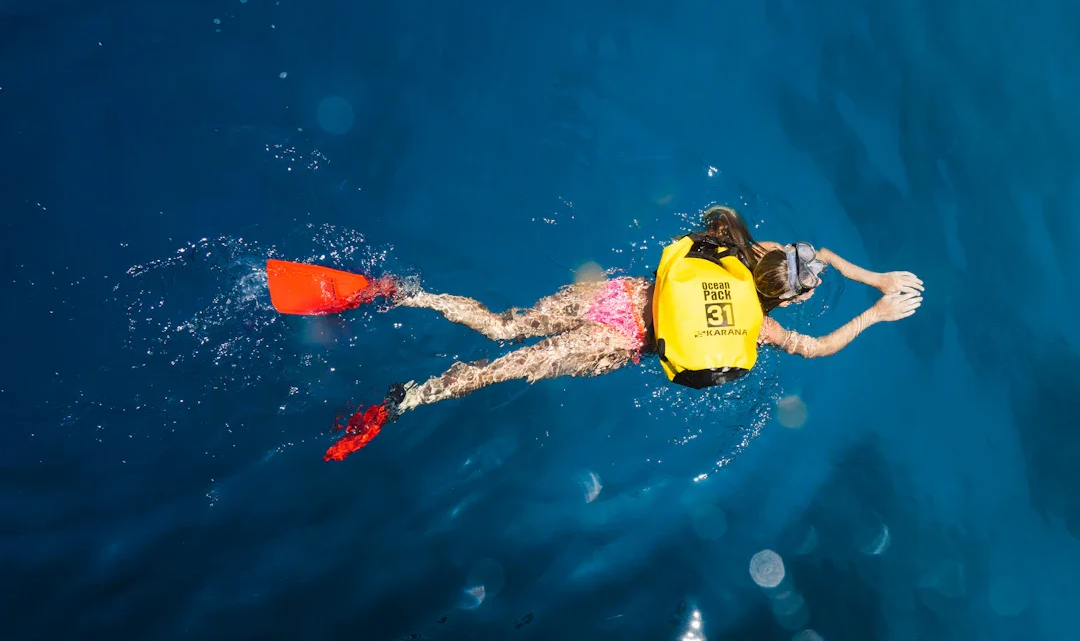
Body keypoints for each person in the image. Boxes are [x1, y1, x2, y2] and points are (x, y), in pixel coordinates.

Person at [268, 206, 923, 460]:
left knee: (500, 327)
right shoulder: (767, 329)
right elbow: (820, 345)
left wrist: (871, 272)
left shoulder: (738, 248)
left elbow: (815, 256)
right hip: (615, 346)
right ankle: (402, 402)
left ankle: (404, 295)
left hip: (613, 297)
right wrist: (875, 310)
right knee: (501, 370)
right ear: (788, 297)